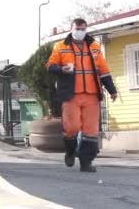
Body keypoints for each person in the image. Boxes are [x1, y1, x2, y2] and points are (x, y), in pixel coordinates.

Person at [46, 18, 118, 172]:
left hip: (92, 94)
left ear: (86, 29)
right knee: (71, 127)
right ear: (71, 29)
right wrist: (61, 70)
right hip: (71, 94)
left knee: (90, 131)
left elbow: (103, 71)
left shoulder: (94, 47)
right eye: (77, 28)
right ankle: (70, 151)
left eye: (83, 28)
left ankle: (86, 162)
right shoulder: (60, 46)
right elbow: (50, 66)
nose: (80, 31)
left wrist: (112, 90)